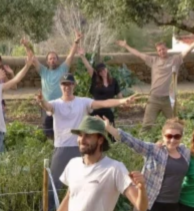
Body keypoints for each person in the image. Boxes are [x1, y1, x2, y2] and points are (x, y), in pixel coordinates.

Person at [35, 74, 136, 203]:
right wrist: (41, 100)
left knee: (84, 179)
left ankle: (83, 204)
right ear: (60, 86)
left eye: (70, 84)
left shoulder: (83, 102)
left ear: (74, 85)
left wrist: (122, 101)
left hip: (82, 147)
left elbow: (103, 103)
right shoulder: (56, 104)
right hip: (62, 147)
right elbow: (47, 106)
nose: (67, 87)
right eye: (64, 84)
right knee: (54, 183)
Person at [115, 33, 194, 128]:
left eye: (163, 49)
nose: (162, 51)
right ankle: (143, 142)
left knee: (175, 125)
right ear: (157, 52)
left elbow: (187, 51)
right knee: (146, 126)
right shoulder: (153, 61)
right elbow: (138, 54)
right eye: (159, 50)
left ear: (167, 49)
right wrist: (126, 46)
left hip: (169, 99)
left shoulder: (175, 60)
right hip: (154, 98)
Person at [23, 33, 82, 141]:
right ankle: (51, 148)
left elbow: (71, 55)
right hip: (47, 105)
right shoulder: (43, 71)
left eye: (54, 58)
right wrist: (27, 46)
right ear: (47, 61)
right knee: (48, 130)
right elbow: (33, 58)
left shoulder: (63, 68)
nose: (52, 60)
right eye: (50, 59)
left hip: (61, 105)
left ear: (57, 60)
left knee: (63, 130)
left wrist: (76, 41)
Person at [79, 55, 123, 125]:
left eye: (104, 69)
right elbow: (89, 67)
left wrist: (123, 102)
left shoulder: (113, 81)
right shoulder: (95, 81)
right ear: (98, 73)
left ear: (106, 69)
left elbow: (119, 95)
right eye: (100, 71)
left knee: (109, 132)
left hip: (108, 111)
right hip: (96, 111)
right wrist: (82, 56)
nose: (103, 72)